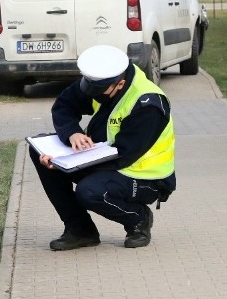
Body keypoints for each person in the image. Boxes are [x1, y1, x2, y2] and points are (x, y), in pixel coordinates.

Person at [29, 45, 176, 251]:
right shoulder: (101, 82)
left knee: (89, 191)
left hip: (145, 177)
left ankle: (138, 218)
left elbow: (124, 155)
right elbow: (64, 105)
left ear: (120, 84)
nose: (92, 95)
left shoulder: (148, 104)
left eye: (98, 92)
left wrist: (67, 165)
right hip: (106, 159)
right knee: (40, 153)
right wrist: (73, 133)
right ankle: (81, 230)